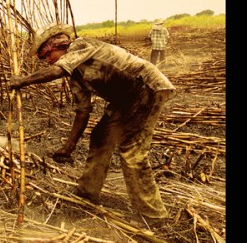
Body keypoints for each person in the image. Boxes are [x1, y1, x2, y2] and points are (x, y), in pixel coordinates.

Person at [9, 23, 175, 225]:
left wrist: (22, 81)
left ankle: (153, 215)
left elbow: (56, 71)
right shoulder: (74, 74)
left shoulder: (81, 46)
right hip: (124, 100)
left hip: (147, 88)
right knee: (100, 138)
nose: (45, 60)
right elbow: (83, 111)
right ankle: (87, 193)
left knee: (132, 151)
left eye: (45, 54)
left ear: (57, 45)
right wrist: (68, 147)